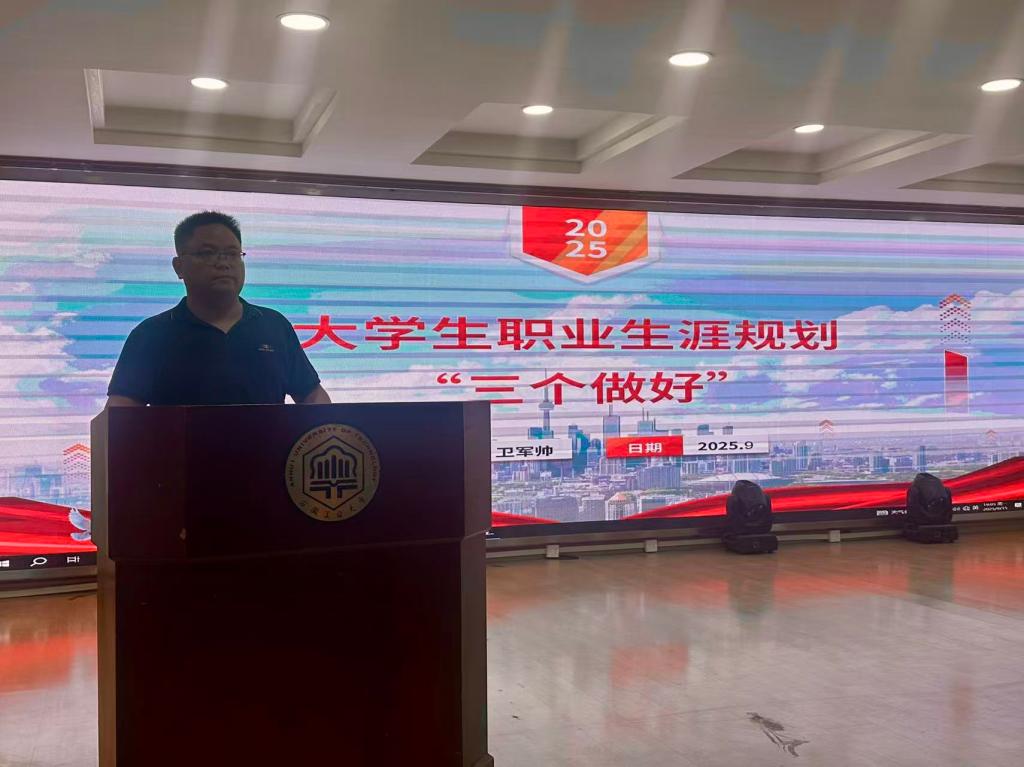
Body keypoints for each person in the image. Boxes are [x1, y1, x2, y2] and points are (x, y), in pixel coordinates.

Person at [106, 211, 331, 407]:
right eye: (207, 253)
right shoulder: (150, 334)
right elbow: (120, 415)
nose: (223, 263)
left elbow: (312, 395)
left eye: (232, 254)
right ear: (179, 266)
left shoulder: (274, 325)